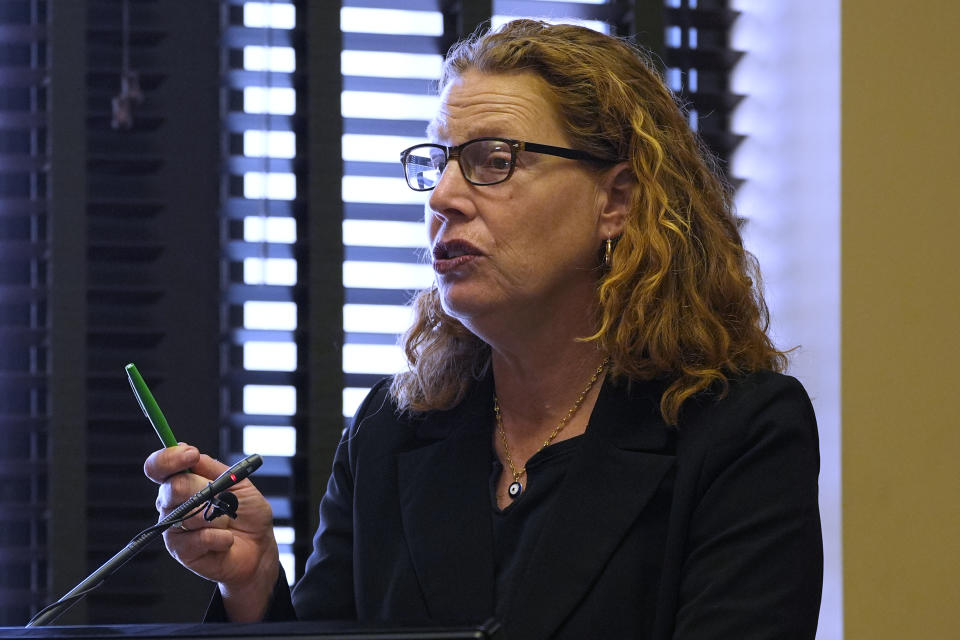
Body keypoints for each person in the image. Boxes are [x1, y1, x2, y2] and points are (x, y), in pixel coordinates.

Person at [145, 19, 822, 639]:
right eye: (439, 160)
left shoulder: (739, 432)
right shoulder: (391, 429)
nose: (442, 196)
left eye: (493, 159)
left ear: (615, 200)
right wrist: (255, 580)